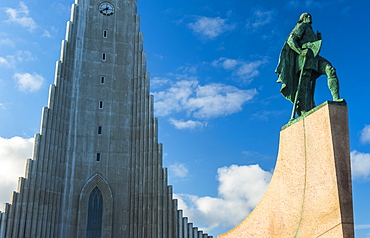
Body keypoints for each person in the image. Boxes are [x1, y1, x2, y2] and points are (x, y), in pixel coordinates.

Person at [276, 13, 343, 118]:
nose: (309, 17)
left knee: (331, 70)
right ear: (302, 19)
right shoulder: (301, 26)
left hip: (314, 57)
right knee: (304, 85)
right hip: (304, 58)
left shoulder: (311, 31)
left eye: (310, 16)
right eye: (306, 16)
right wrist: (300, 51)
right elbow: (291, 40)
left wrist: (318, 39)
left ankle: (336, 99)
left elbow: (314, 47)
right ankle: (303, 110)